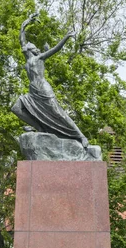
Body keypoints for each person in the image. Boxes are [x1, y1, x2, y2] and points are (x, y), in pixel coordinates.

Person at [11, 12, 89, 148]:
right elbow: (21, 37)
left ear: (33, 50)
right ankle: (41, 128)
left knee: (59, 114)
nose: (25, 44)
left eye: (28, 44)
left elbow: (55, 49)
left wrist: (66, 37)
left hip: (43, 90)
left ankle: (80, 136)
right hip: (32, 92)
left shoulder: (39, 58)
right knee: (16, 108)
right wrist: (27, 21)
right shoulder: (28, 59)